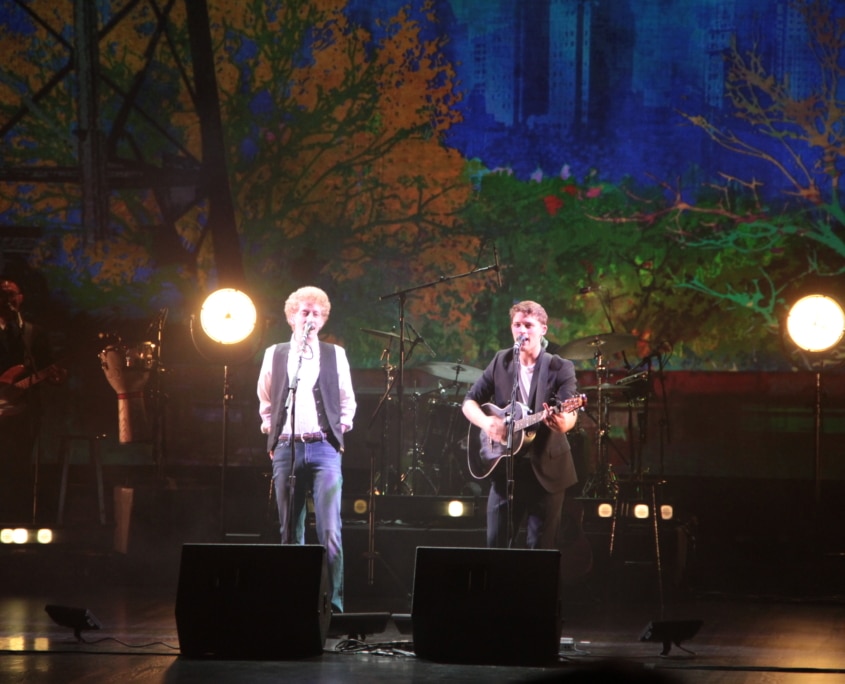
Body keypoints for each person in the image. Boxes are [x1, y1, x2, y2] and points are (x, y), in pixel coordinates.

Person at [256, 286, 356, 613]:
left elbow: (346, 401)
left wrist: (338, 434)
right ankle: (294, 604)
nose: (309, 317)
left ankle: (334, 606)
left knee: (330, 530)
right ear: (291, 316)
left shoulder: (334, 354)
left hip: (324, 448)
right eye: (304, 312)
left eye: (316, 313)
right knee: (289, 531)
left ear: (323, 319)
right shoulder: (276, 353)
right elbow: (267, 401)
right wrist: (274, 437)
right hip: (287, 448)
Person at [462, 300, 580, 549]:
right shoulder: (501, 361)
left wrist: (562, 422)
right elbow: (469, 402)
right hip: (505, 469)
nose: (522, 331)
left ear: (543, 329)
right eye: (517, 325)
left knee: (540, 551)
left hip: (547, 469)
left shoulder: (560, 367)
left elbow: (569, 413)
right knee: (496, 546)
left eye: (528, 325)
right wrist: (486, 422)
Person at [0, 278, 56, 520]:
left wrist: (56, 376)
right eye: (3, 295)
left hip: (25, 411)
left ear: (21, 298)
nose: (8, 299)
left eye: (13, 294)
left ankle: (17, 518)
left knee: (20, 465)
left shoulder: (33, 333)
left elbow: (45, 367)